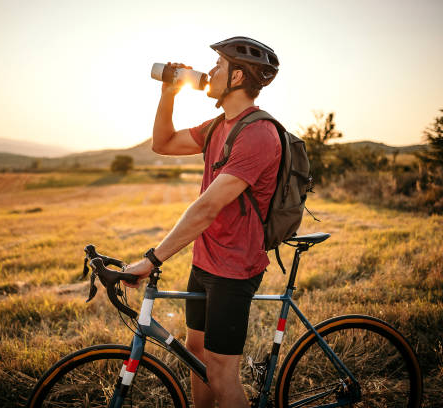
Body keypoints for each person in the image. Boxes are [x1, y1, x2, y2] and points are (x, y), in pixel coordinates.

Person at [124, 37, 281, 408]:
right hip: (205, 260)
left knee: (223, 372)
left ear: (239, 75)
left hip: (234, 268)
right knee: (196, 352)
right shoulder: (217, 126)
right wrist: (169, 93)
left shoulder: (258, 133)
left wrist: (153, 259)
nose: (210, 72)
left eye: (219, 67)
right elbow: (162, 143)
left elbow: (206, 208)